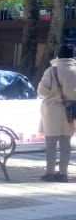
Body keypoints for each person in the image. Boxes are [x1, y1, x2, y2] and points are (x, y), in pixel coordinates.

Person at [38, 43, 76, 182]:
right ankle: (63, 174)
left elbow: (43, 91)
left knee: (51, 143)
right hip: (70, 111)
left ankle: (50, 173)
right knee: (66, 143)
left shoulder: (52, 71)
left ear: (59, 55)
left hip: (52, 111)